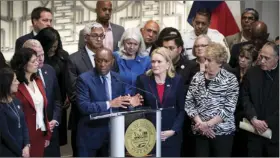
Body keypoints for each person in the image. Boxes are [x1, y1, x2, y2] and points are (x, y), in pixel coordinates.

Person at [75, 47, 142, 157]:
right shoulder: (84, 79)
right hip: (90, 136)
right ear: (94, 60)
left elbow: (121, 104)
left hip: (113, 136)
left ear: (112, 61)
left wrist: (131, 103)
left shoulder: (118, 78)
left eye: (106, 61)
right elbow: (84, 106)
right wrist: (109, 104)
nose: (102, 64)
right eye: (99, 60)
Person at [185, 42, 239, 157]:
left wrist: (208, 124)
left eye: (209, 60)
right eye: (205, 59)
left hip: (222, 133)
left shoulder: (230, 80)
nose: (205, 63)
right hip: (200, 132)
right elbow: (189, 103)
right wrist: (201, 124)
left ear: (219, 62)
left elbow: (229, 108)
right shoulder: (197, 77)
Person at [135, 47, 185, 157]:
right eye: (153, 61)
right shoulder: (142, 80)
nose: (155, 65)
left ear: (168, 64)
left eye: (159, 62)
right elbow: (139, 108)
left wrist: (173, 130)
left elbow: (181, 109)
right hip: (149, 135)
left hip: (171, 136)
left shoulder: (177, 80)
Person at [66, 22, 106, 156]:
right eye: (95, 35)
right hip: (84, 121)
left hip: (106, 122)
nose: (99, 39)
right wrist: (101, 104)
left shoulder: (109, 57)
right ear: (86, 38)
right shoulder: (74, 59)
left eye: (102, 36)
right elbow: (73, 93)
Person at [22, 39, 62, 156]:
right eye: (36, 56)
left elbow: (57, 99)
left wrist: (55, 119)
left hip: (51, 131)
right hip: (31, 135)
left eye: (42, 54)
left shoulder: (49, 70)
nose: (41, 59)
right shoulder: (18, 79)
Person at [10, 48, 51, 157]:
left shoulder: (38, 81)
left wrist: (47, 133)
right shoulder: (16, 86)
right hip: (24, 137)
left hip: (40, 133)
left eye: (37, 60)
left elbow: (43, 109)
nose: (37, 63)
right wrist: (24, 142)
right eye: (33, 61)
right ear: (23, 65)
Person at [241, 42, 279, 157]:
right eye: (261, 56)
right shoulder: (252, 72)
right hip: (253, 130)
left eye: (266, 58)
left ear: (277, 58)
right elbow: (244, 97)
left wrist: (268, 123)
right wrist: (253, 118)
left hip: (275, 133)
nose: (262, 61)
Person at [34, 27, 69, 147]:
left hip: (59, 99)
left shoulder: (63, 56)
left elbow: (67, 77)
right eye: (51, 47)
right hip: (44, 99)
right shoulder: (39, 61)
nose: (53, 49)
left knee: (56, 134)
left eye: (55, 46)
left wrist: (67, 95)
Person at [0, 68, 30, 157]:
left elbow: (24, 124)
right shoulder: (1, 107)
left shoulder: (17, 101)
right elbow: (6, 135)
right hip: (8, 152)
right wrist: (21, 153)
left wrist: (27, 145)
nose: (18, 82)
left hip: (23, 150)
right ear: (7, 83)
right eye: (15, 80)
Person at [231, 43, 254, 157]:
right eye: (241, 56)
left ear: (252, 60)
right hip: (230, 117)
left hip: (245, 120)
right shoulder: (231, 72)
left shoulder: (254, 76)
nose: (242, 60)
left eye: (247, 58)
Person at [113, 27, 150, 94]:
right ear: (123, 42)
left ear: (140, 45)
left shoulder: (146, 60)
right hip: (119, 99)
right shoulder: (115, 57)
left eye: (135, 44)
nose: (132, 47)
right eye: (129, 43)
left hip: (140, 99)